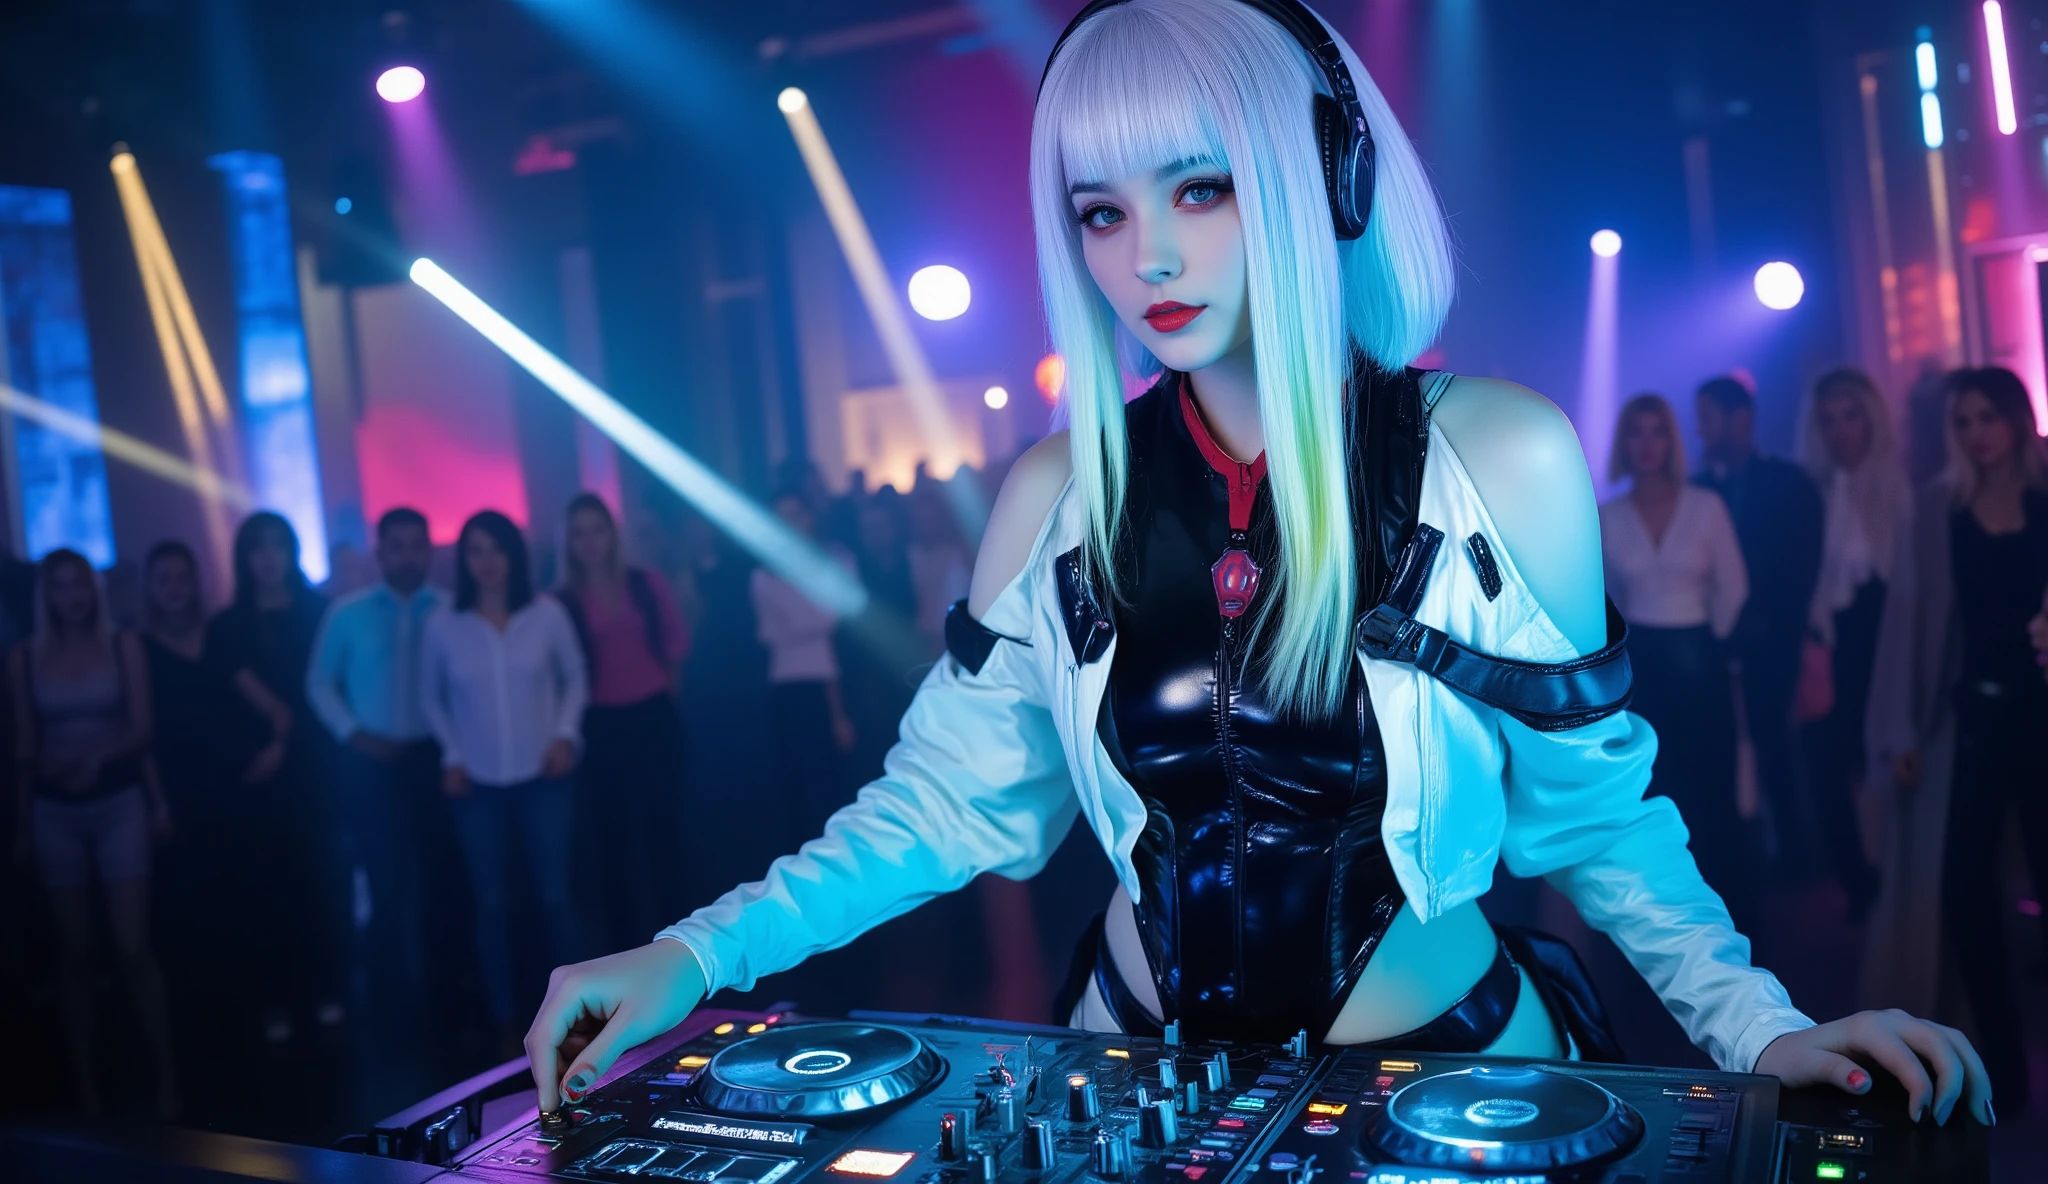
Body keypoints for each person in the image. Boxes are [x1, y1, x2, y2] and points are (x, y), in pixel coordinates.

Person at [529, 0, 1988, 1129]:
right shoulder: (1056, 496)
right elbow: (937, 808)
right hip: (1131, 1079)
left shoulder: (1500, 457)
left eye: (1201, 189)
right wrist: (693, 955)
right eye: (1101, 211)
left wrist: (1762, 1029)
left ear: (1322, 178)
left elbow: (1599, 824)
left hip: (1450, 1092)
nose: (1146, 258)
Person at [1868, 366, 2047, 1108]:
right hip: (1972, 719)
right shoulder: (1940, 508)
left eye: (1988, 417)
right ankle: (2002, 1065)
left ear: (2016, 419)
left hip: (2040, 717)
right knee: (1964, 888)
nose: (1977, 433)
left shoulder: (2044, 498)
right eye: (1964, 421)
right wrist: (1903, 727)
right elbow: (1910, 623)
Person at [7, 549, 175, 1116]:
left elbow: (144, 728)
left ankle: (166, 1076)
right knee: (74, 952)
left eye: (79, 585)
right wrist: (23, 824)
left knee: (132, 946)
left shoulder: (123, 643)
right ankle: (86, 1085)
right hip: (54, 809)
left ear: (94, 589)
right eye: (60, 587)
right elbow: (25, 744)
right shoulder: (24, 656)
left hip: (118, 801)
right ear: (45, 595)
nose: (72, 597)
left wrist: (100, 761)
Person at [421, 510, 587, 1055]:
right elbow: (431, 697)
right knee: (490, 903)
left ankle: (578, 1013)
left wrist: (564, 735)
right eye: (476, 550)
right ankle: (503, 1019)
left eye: (496, 548)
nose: (487, 561)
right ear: (463, 560)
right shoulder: (444, 624)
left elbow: (575, 677)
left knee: (556, 898)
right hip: (477, 781)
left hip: (545, 773)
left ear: (515, 554)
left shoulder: (546, 613)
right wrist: (451, 755)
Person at [1597, 394, 1754, 932]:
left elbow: (1735, 586)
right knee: (1652, 792)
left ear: (1672, 440)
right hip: (1639, 664)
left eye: (1657, 430)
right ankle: (1661, 922)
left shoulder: (1706, 505)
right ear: (1623, 442)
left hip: (1700, 657)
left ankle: (1727, 917)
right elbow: (1604, 598)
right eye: (1636, 431)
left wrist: (1709, 640)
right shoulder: (1607, 515)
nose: (1647, 443)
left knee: (1711, 791)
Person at [205, 511, 338, 1041]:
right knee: (265, 888)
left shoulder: (319, 612)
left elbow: (324, 689)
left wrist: (287, 740)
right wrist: (270, 745)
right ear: (244, 557)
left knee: (319, 882)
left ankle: (325, 990)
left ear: (292, 552)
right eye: (258, 548)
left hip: (315, 770)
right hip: (256, 772)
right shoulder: (228, 625)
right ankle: (276, 1000)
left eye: (277, 546)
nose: (268, 558)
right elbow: (231, 702)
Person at [305, 507, 445, 1001]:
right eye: (396, 546)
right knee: (383, 878)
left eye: (415, 546)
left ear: (428, 551)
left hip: (435, 759)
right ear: (379, 552)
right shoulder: (346, 613)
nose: (407, 556)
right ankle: (386, 993)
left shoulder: (449, 609)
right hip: (370, 762)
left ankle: (440, 988)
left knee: (439, 876)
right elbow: (319, 683)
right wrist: (354, 735)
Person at [1693, 375, 1825, 868]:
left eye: (1707, 418)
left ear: (1740, 419)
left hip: (1777, 642)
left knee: (1779, 745)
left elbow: (1800, 570)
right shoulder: (1701, 490)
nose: (1700, 430)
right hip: (1717, 645)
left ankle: (1797, 851)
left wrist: (1763, 626)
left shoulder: (1788, 484)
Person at [556, 493, 691, 955]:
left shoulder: (645, 582)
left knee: (664, 832)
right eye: (579, 533)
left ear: (612, 535)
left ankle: (680, 946)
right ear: (568, 542)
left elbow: (675, 644)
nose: (590, 542)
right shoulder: (561, 601)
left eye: (597, 530)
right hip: (600, 725)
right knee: (612, 841)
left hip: (654, 716)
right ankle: (628, 952)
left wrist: (664, 698)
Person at [1799, 369, 1907, 920]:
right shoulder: (1812, 493)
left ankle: (1899, 883)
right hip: (1829, 648)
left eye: (1850, 416)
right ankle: (1860, 885)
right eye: (1829, 420)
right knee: (1827, 770)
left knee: (1886, 765)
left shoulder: (1897, 488)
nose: (1840, 430)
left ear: (1871, 419)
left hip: (1885, 643)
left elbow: (1906, 581)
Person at [749, 490, 858, 847]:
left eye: (796, 513)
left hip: (832, 684)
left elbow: (831, 617)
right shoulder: (762, 573)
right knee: (795, 793)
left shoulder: (837, 559)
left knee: (836, 789)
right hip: (786, 688)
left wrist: (796, 616)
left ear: (811, 517)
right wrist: (811, 613)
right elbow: (769, 634)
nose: (789, 522)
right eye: (781, 515)